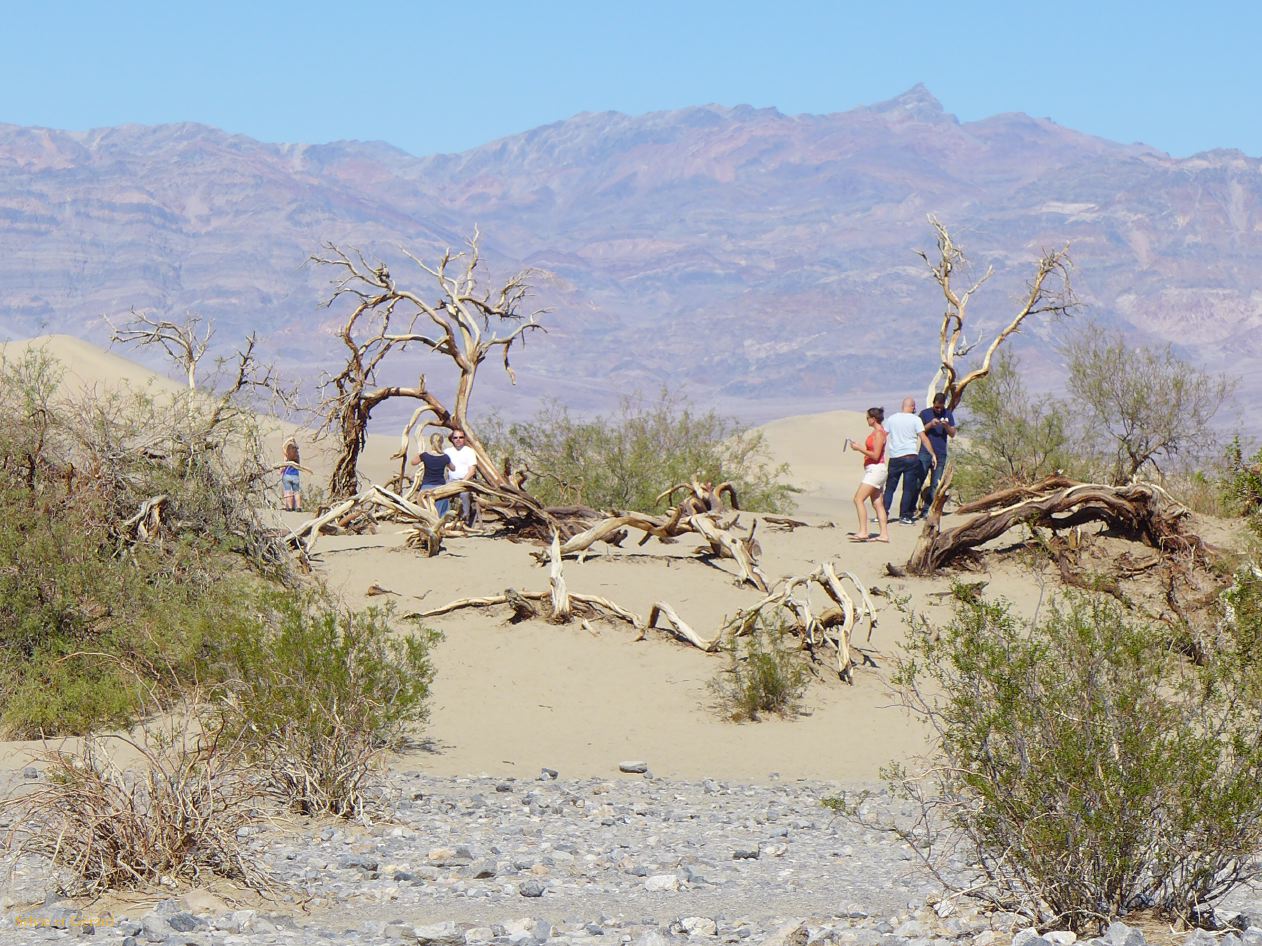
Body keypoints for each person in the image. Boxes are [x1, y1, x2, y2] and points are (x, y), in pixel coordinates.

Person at [883, 397, 936, 525]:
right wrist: (933, 454)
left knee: (890, 488)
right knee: (908, 489)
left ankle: (883, 513)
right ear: (912, 407)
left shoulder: (892, 418)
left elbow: (882, 435)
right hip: (910, 458)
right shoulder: (916, 419)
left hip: (895, 458)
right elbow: (923, 438)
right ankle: (904, 516)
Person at [846, 407, 890, 542]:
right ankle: (884, 534)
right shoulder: (878, 432)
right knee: (877, 503)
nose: (867, 420)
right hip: (876, 469)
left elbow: (876, 456)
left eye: (868, 418)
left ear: (873, 419)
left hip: (875, 470)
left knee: (858, 499)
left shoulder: (879, 433)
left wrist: (860, 449)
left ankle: (863, 531)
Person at [916, 392, 957, 518]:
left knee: (935, 483)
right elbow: (919, 430)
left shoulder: (948, 414)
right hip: (925, 452)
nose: (938, 409)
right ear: (933, 404)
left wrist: (946, 426)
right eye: (936, 407)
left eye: (941, 407)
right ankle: (910, 509)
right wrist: (930, 424)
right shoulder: (925, 413)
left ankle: (928, 510)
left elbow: (953, 433)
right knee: (918, 480)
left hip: (940, 453)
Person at [411, 432, 455, 517]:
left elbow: (413, 462)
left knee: (426, 513)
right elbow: (453, 468)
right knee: (440, 513)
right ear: (441, 443)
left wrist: (420, 453)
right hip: (440, 486)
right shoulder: (445, 457)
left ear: (431, 442)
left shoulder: (425, 456)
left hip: (426, 486)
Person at [444, 428, 480, 525]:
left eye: (461, 437)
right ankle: (445, 518)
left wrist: (462, 482)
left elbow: (472, 471)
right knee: (441, 492)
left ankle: (465, 518)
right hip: (451, 481)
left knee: (464, 495)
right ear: (452, 439)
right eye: (455, 437)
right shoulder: (447, 451)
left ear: (464, 439)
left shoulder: (469, 451)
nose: (458, 439)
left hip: (465, 481)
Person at [277, 437, 312, 512]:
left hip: (287, 475)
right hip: (295, 475)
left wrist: (289, 440)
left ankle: (290, 507)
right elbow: (297, 448)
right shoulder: (297, 456)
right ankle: (298, 507)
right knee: (296, 492)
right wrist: (294, 442)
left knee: (288, 491)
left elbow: (283, 447)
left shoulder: (287, 456)